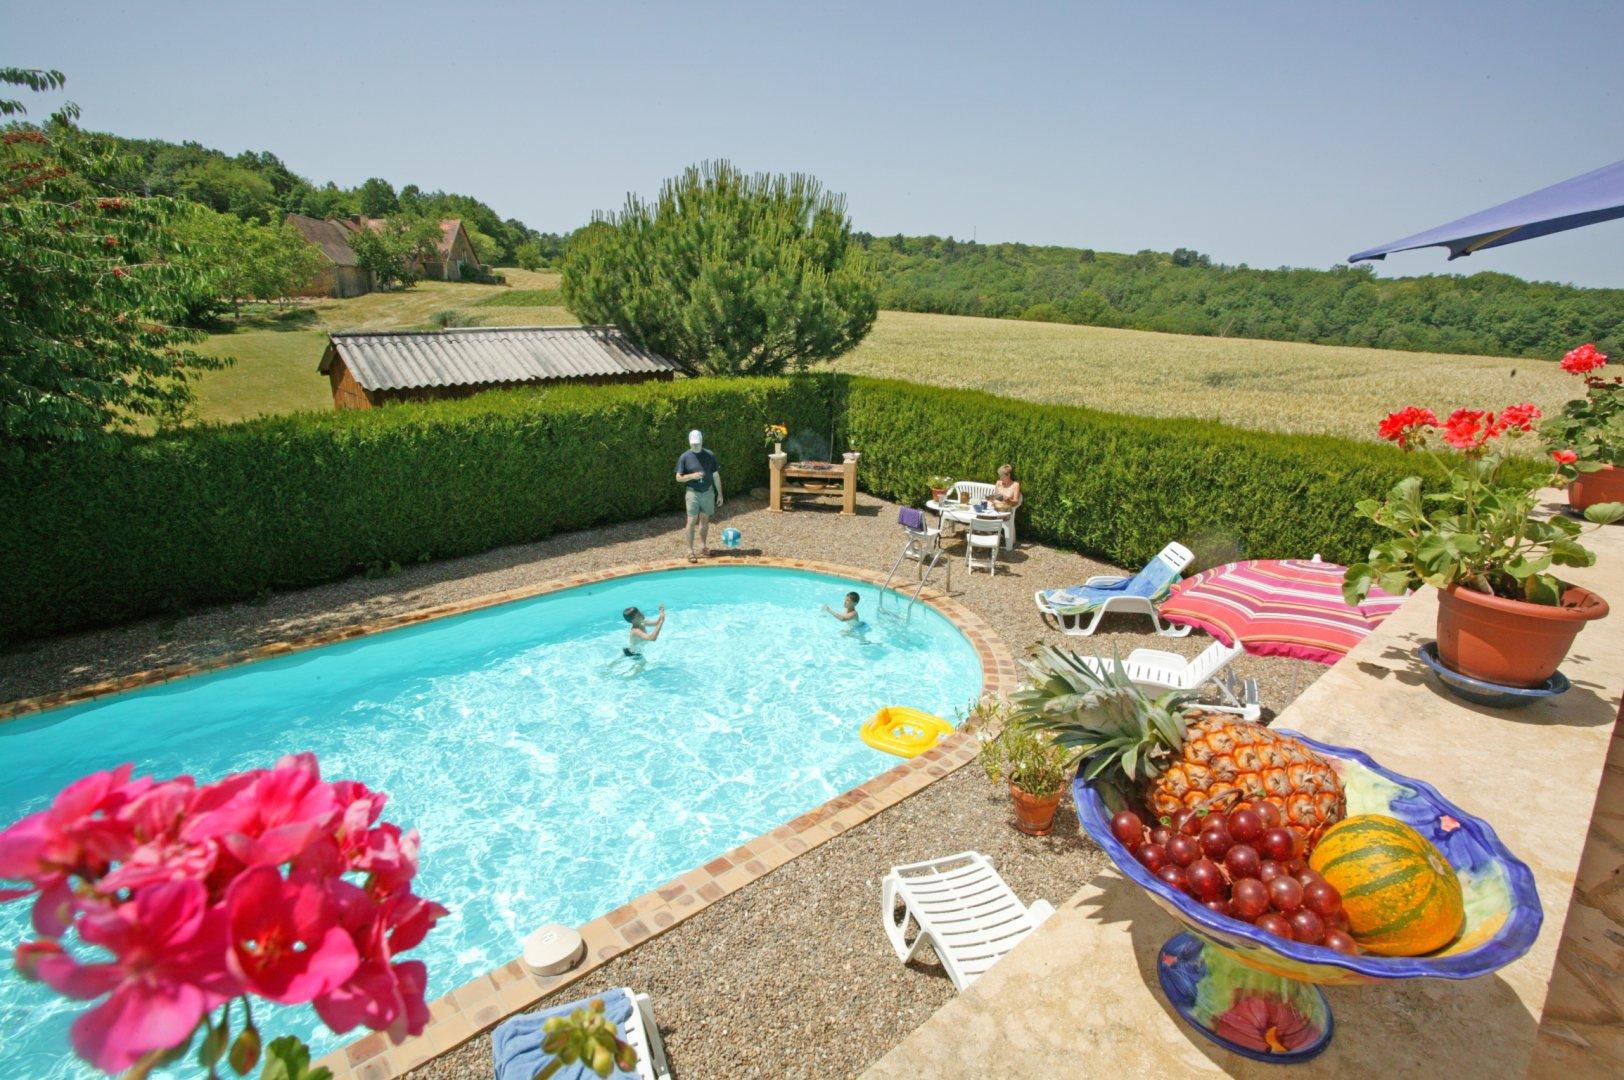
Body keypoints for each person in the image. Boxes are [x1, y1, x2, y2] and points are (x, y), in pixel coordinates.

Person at [675, 429, 723, 562]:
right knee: (691, 521)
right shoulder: (685, 457)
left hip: (707, 492)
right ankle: (690, 551)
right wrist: (691, 476)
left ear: (702, 441)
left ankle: (703, 546)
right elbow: (678, 478)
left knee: (704, 520)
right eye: (693, 443)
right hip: (692, 493)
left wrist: (720, 494)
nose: (695, 445)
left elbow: (715, 475)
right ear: (689, 442)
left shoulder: (709, 455)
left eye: (697, 443)